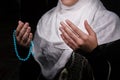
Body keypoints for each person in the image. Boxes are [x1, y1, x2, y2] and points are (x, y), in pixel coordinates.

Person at [15, 0, 120, 80]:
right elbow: (33, 71)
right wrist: (25, 48)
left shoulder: (108, 23)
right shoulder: (46, 22)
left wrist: (94, 53)